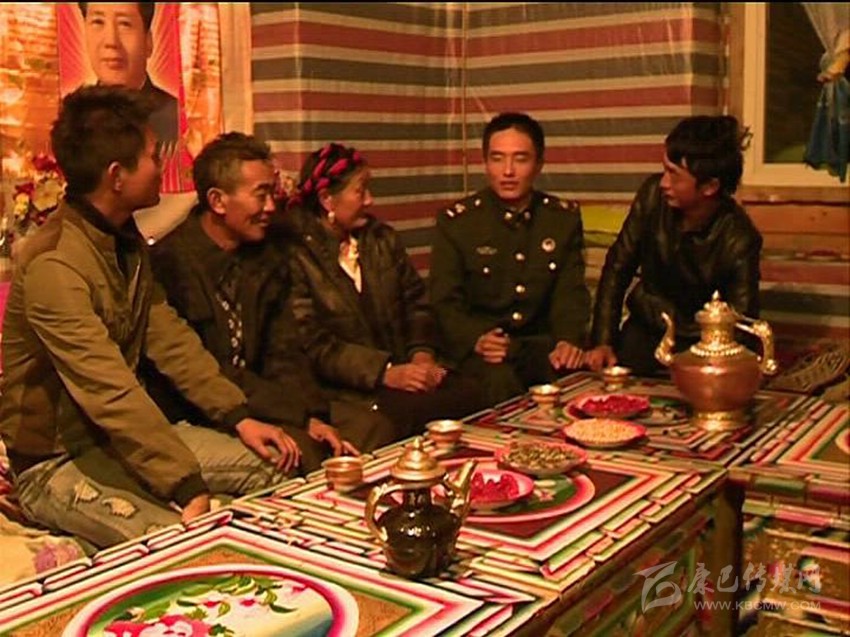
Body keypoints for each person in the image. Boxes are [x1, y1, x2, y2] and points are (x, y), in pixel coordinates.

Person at [0, 86, 299, 549]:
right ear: (117, 176)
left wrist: (237, 415)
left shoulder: (123, 239)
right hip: (56, 462)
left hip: (117, 444)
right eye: (153, 157)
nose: (163, 167)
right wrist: (184, 483)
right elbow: (107, 388)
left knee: (273, 468)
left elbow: (169, 337)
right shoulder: (54, 263)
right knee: (181, 546)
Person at [147, 132, 396, 468]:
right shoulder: (172, 263)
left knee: (371, 429)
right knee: (302, 453)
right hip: (209, 408)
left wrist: (310, 415)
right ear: (218, 201)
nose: (270, 207)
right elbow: (210, 369)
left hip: (269, 399)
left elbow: (284, 351)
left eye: (272, 193)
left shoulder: (266, 252)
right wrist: (294, 417)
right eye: (260, 195)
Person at [283, 143, 483, 440]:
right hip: (349, 388)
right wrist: (384, 372)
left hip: (404, 371)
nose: (370, 200)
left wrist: (422, 355)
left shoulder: (381, 239)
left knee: (471, 394)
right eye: (360, 191)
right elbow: (313, 343)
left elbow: (417, 305)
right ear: (327, 199)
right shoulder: (296, 254)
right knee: (406, 416)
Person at [429, 112, 591, 405]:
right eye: (497, 158)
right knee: (499, 383)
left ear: (539, 164)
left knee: (578, 383)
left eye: (520, 159)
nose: (508, 171)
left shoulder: (561, 219)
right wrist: (477, 338)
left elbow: (570, 293)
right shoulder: (458, 222)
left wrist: (568, 339)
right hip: (483, 350)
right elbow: (444, 302)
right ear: (485, 162)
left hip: (538, 346)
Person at [586, 115, 762, 376]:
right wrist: (603, 341)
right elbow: (618, 267)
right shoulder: (652, 197)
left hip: (702, 343)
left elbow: (742, 321)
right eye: (665, 170)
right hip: (647, 328)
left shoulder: (738, 238)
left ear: (710, 186)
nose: (664, 183)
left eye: (674, 175)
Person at [78, 2, 179, 149]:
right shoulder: (73, 119)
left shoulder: (176, 119)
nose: (111, 41)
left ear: (148, 41)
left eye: (124, 24)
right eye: (98, 22)